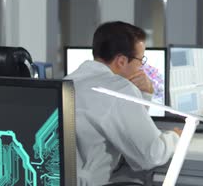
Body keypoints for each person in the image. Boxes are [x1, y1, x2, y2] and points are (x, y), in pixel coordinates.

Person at [68, 21, 179, 186]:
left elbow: (123, 124)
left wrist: (145, 94)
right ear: (121, 61)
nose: (142, 65)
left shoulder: (70, 80)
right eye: (141, 59)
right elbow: (151, 155)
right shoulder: (118, 89)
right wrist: (176, 136)